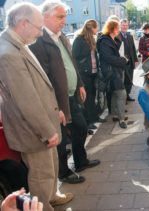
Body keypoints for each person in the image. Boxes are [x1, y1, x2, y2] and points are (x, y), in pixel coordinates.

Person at [0, 3, 73, 210]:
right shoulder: (8, 53)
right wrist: (47, 130)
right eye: (39, 27)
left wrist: (55, 110)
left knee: (50, 168)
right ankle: (43, 206)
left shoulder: (18, 44)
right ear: (23, 24)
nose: (41, 33)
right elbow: (26, 99)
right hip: (33, 131)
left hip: (41, 124)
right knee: (41, 175)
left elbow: (39, 86)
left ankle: (51, 197)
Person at [30, 0, 100, 185]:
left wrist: (80, 84)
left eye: (65, 16)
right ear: (44, 17)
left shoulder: (60, 36)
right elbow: (43, 77)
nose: (64, 21)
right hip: (55, 101)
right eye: (60, 17)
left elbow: (71, 63)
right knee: (60, 139)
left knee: (81, 127)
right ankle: (64, 172)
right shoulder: (38, 40)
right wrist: (56, 106)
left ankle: (80, 161)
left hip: (70, 95)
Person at [72, 19, 104, 132]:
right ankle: (88, 121)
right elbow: (74, 58)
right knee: (86, 99)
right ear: (92, 28)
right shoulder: (79, 40)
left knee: (92, 96)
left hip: (93, 73)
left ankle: (94, 117)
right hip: (84, 74)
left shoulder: (91, 39)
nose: (98, 29)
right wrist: (83, 68)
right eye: (96, 27)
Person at [98, 19, 128, 129]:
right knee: (121, 93)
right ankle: (121, 119)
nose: (119, 29)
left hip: (115, 70)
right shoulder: (104, 41)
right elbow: (109, 58)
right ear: (112, 29)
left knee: (115, 93)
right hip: (111, 71)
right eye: (118, 27)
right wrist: (123, 60)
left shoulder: (111, 39)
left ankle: (115, 115)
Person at [119, 19, 138, 102]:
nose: (124, 27)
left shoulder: (130, 36)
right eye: (123, 25)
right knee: (124, 80)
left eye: (126, 25)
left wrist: (135, 59)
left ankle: (127, 95)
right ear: (120, 26)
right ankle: (124, 98)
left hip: (130, 62)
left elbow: (133, 49)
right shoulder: (117, 36)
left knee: (130, 80)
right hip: (123, 63)